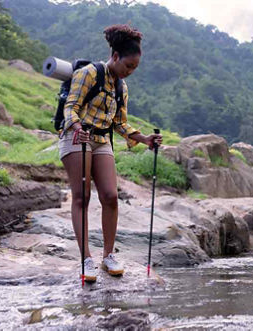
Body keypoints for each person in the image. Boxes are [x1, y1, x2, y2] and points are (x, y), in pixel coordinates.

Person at [58, 24, 162, 283]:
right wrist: (77, 127)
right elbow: (70, 107)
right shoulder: (89, 73)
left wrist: (144, 139)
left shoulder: (121, 87)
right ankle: (86, 259)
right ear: (115, 56)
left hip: (102, 140)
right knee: (81, 197)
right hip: (76, 137)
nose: (130, 72)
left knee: (110, 196)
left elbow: (120, 123)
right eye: (128, 66)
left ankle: (108, 256)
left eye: (135, 68)